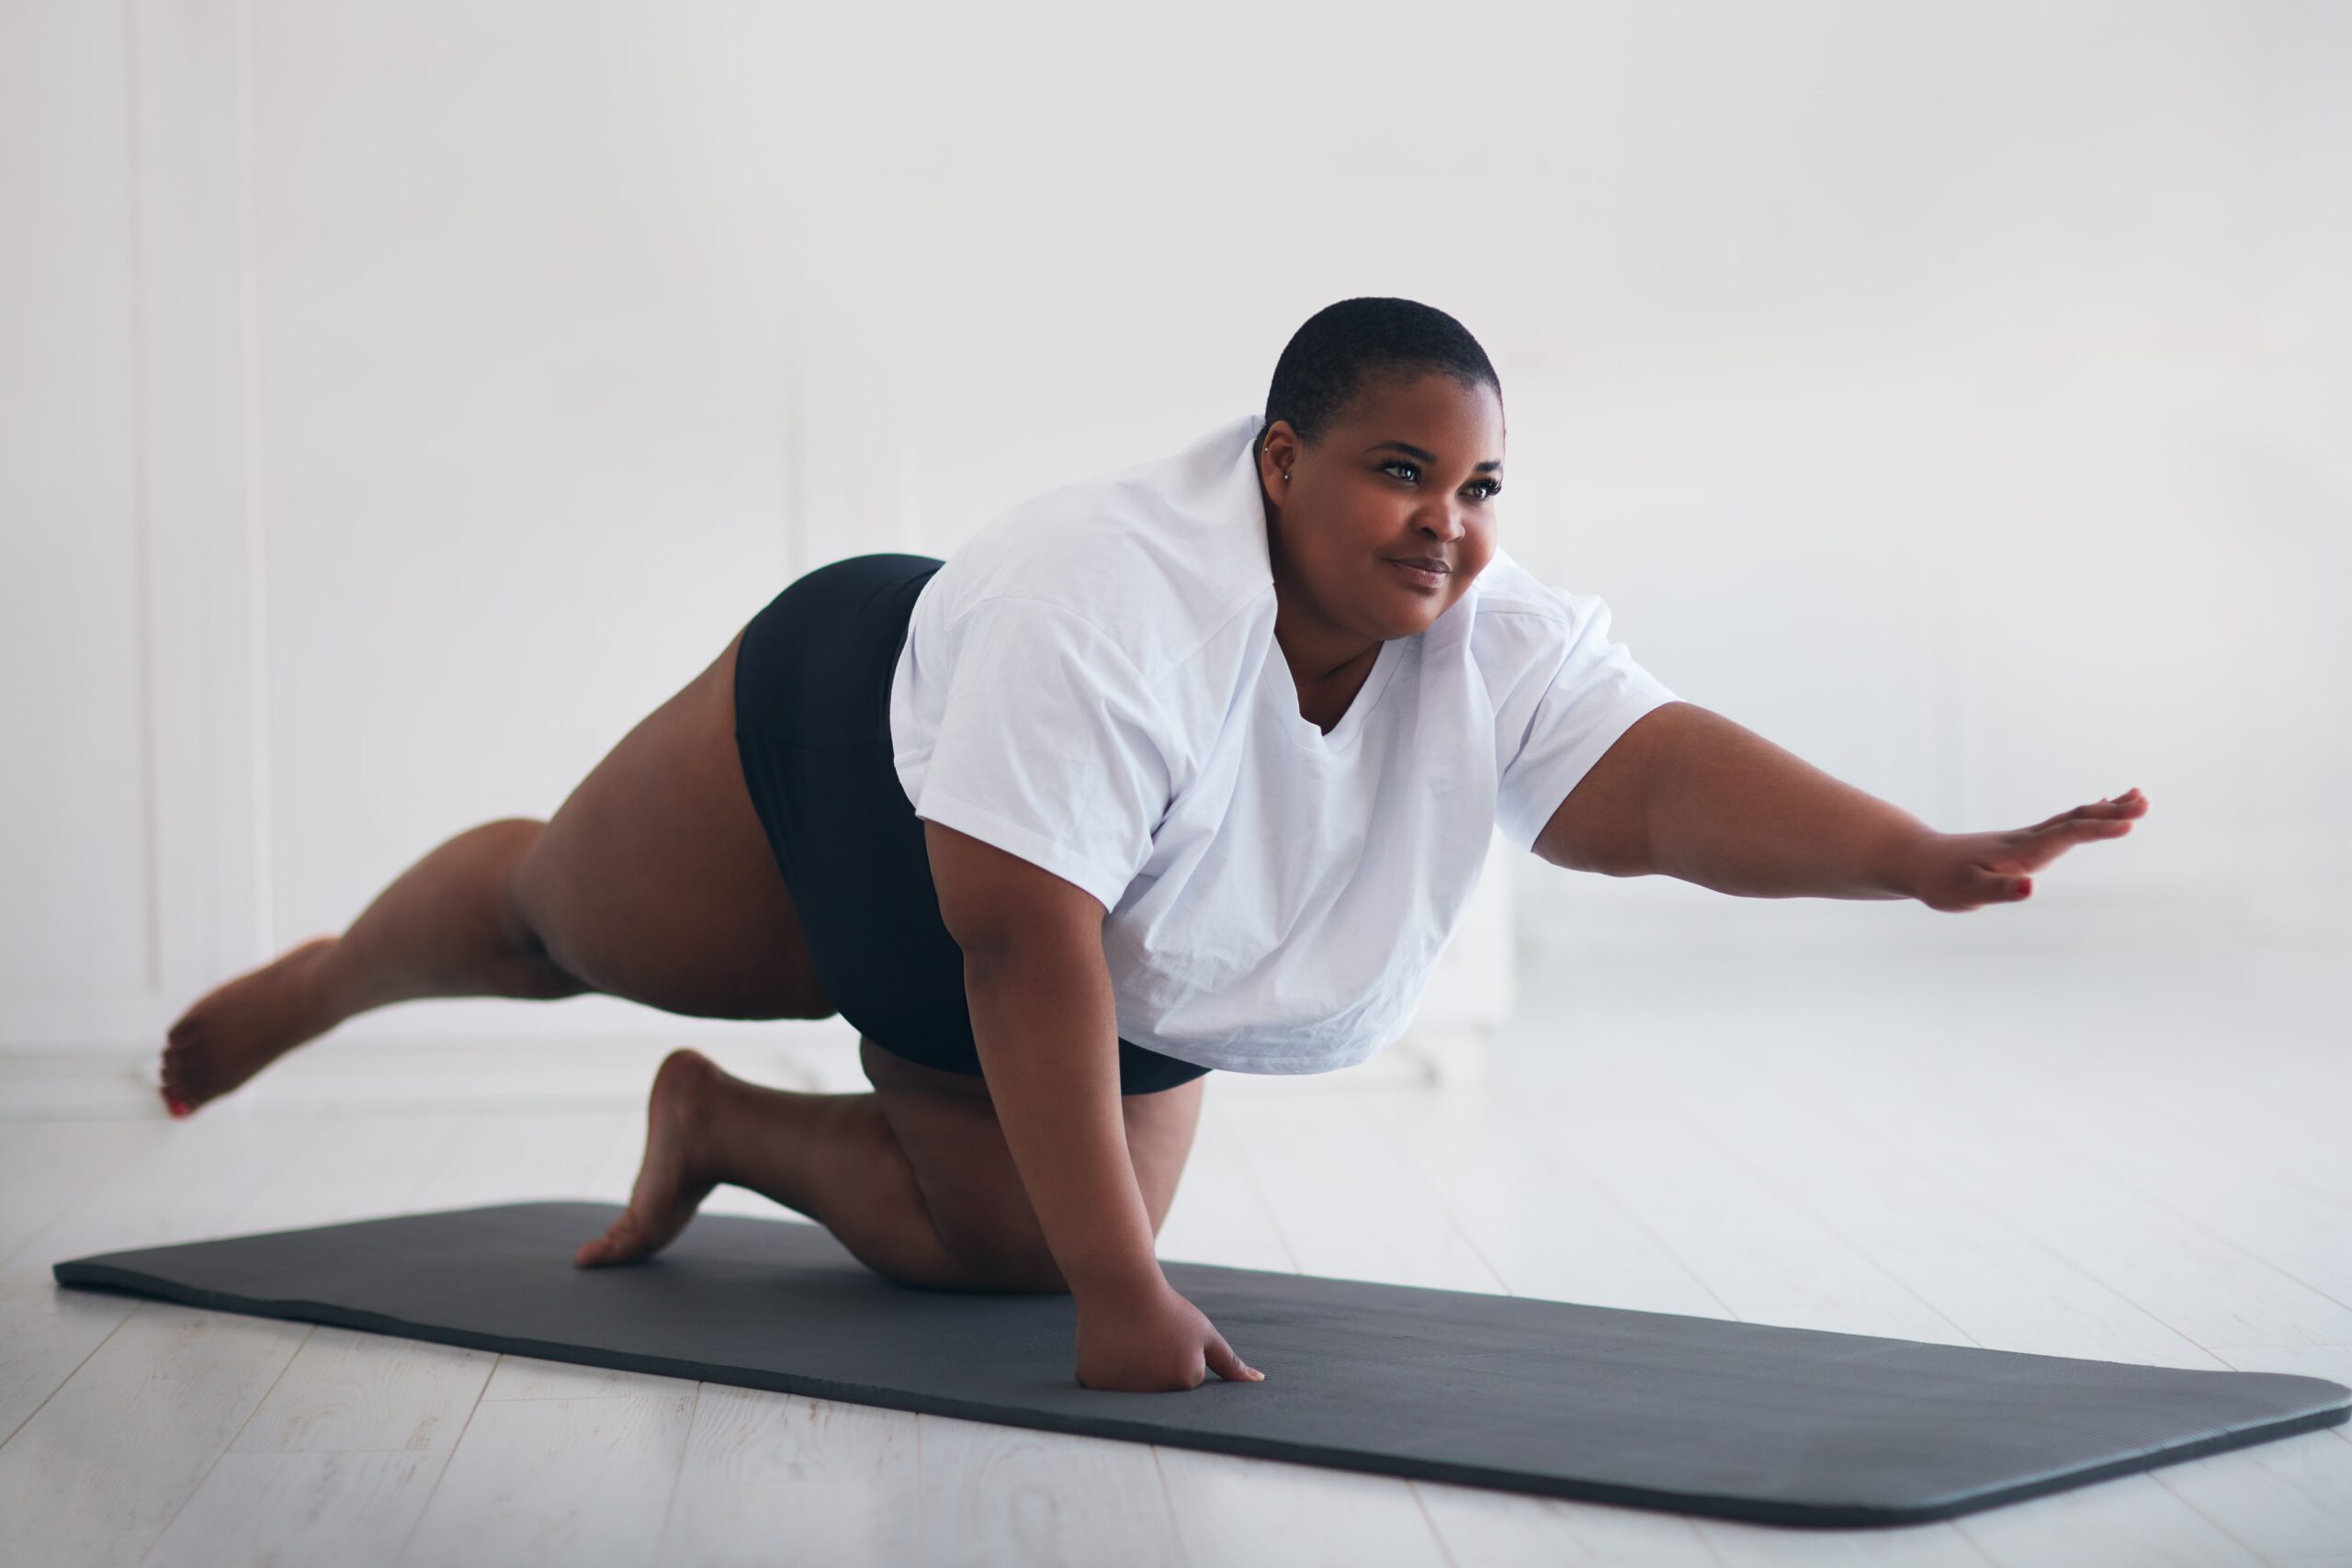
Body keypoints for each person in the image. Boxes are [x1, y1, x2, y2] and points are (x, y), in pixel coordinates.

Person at [154, 297, 2151, 1393]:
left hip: (1105, 860)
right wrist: (1125, 1297)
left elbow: (1636, 775)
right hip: (857, 735)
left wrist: (1907, 851)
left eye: (1470, 483)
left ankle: (720, 1125)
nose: (1442, 520)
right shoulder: (1095, 599)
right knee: (544, 927)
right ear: (1276, 460)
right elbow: (1023, 950)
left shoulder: (1470, 614)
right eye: (1393, 468)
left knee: (1008, 1237)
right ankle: (331, 978)